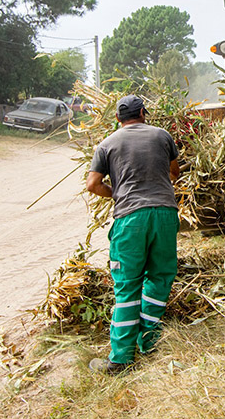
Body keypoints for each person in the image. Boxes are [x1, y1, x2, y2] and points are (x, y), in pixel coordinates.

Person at [86, 94, 181, 374]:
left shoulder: (107, 143)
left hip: (130, 219)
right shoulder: (162, 135)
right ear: (143, 113)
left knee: (127, 286)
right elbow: (174, 172)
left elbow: (92, 184)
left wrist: (119, 194)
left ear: (117, 119)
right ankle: (149, 343)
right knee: (160, 277)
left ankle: (120, 360)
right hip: (165, 214)